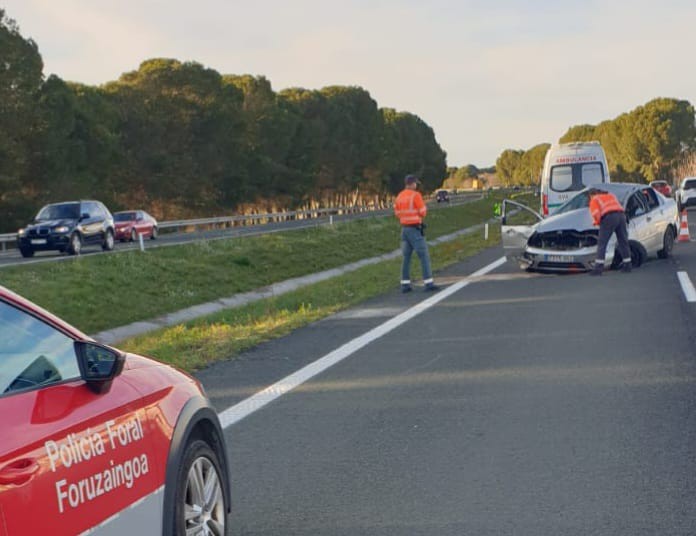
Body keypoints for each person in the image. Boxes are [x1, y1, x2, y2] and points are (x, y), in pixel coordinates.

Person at [394, 175, 439, 292]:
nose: (416, 185)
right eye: (416, 184)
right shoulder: (416, 195)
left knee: (406, 258)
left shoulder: (400, 196)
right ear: (413, 184)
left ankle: (405, 284)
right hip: (415, 229)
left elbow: (397, 213)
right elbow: (423, 212)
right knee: (424, 256)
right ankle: (428, 283)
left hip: (404, 229)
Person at [588, 187, 631, 276]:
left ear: (591, 195)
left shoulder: (594, 199)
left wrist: (597, 223)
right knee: (623, 241)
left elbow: (596, 214)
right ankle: (627, 265)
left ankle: (598, 269)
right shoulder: (610, 195)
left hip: (609, 218)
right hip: (621, 216)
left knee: (602, 243)